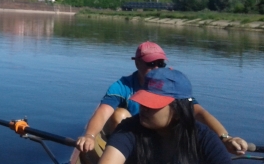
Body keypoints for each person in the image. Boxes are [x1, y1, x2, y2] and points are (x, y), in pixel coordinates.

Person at [76, 41, 247, 156]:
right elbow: (104, 111)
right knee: (119, 114)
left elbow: (198, 112)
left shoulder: (171, 83)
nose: (156, 67)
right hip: (134, 138)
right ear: (136, 63)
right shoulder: (122, 86)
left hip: (167, 136)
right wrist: (90, 135)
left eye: (160, 64)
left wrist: (225, 138)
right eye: (151, 64)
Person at [99, 68, 232, 164]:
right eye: (143, 100)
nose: (143, 107)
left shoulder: (203, 137)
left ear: (178, 110)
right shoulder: (128, 130)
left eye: (152, 104)